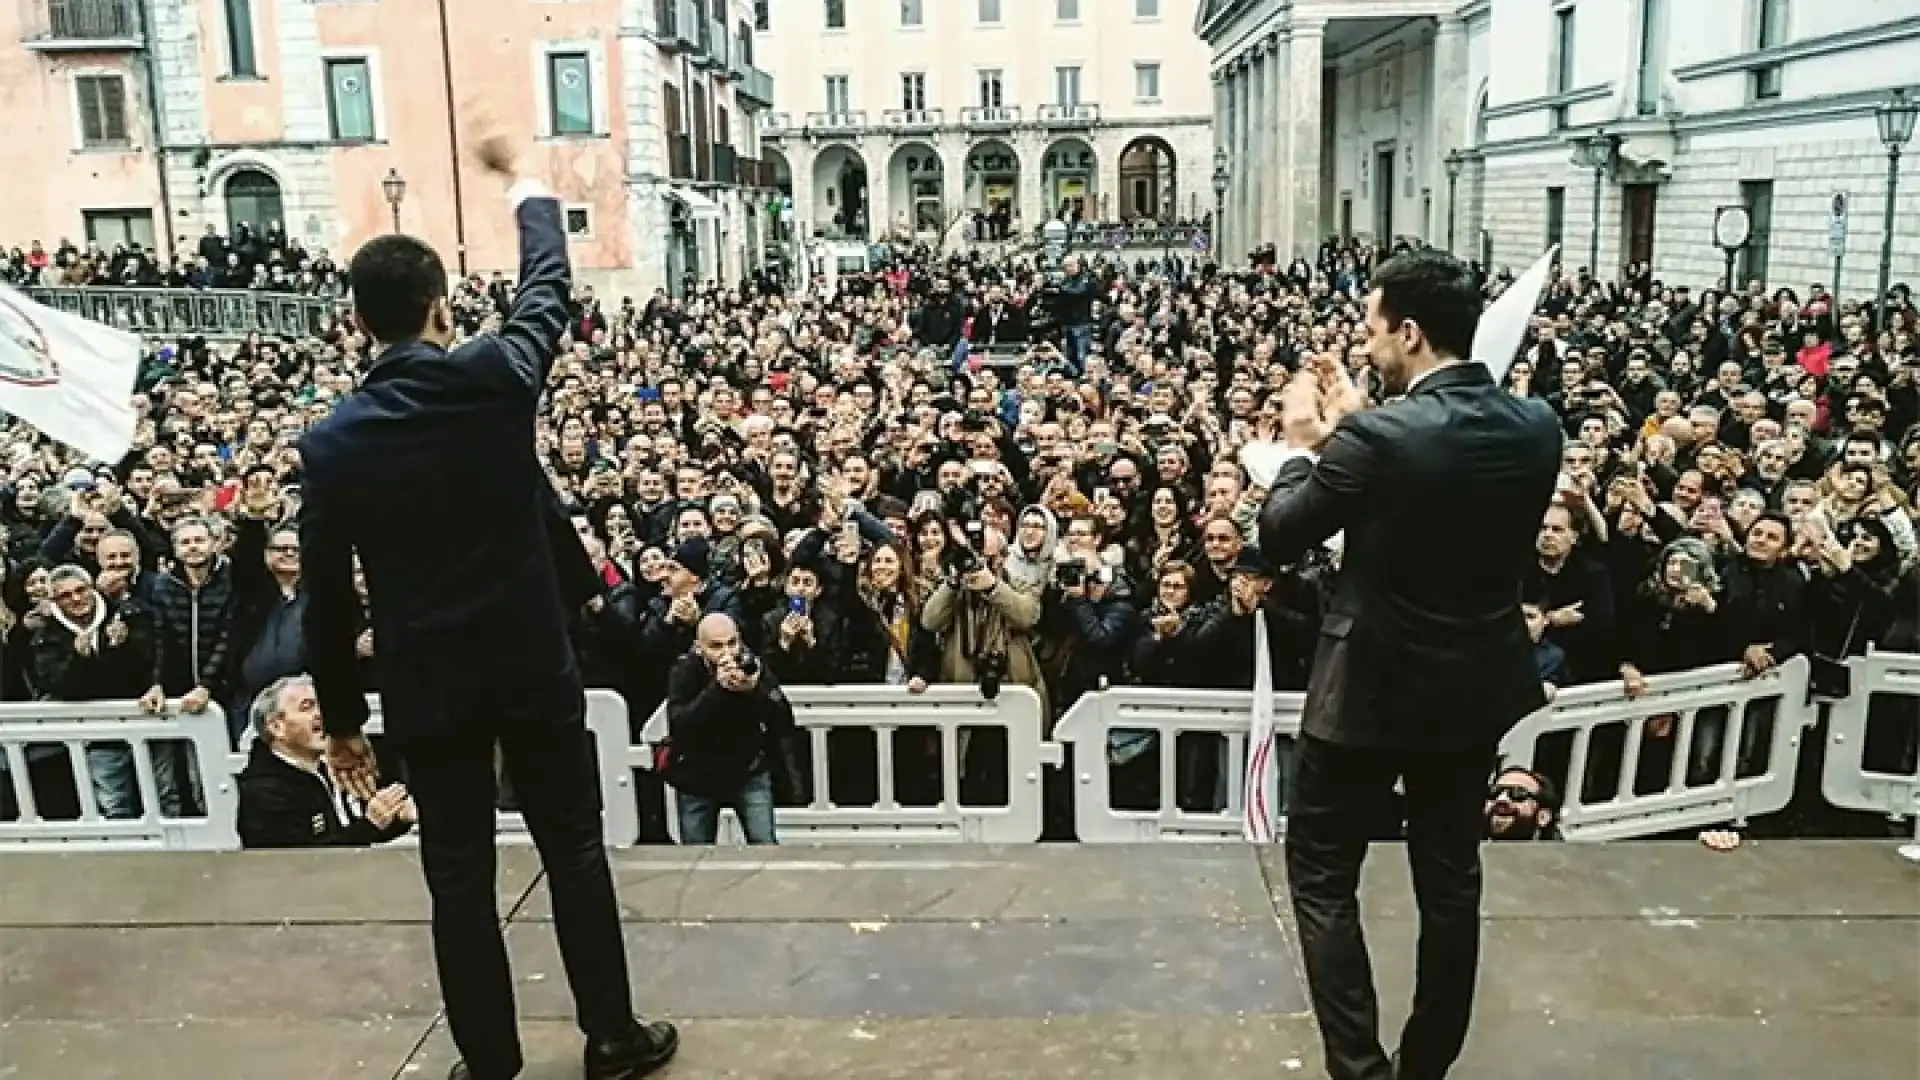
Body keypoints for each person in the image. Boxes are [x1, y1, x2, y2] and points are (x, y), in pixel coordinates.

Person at [297, 124, 677, 1080]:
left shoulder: (332, 444)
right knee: (575, 851)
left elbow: (330, 608)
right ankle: (612, 1037)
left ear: (359, 323)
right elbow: (549, 287)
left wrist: (344, 722)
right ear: (443, 306)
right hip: (528, 662)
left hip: (430, 686)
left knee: (457, 878)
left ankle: (490, 1065)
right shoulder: (494, 377)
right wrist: (529, 188)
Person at [1257, 248, 1562, 1080]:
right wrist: (1363, 425)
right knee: (1450, 878)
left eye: (1373, 327)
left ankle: (1361, 1071)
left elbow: (1279, 533)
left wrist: (1305, 446)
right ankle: (1426, 1064)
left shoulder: (1377, 438)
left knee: (1322, 879)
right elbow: (1438, 476)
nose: (1366, 340)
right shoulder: (1538, 425)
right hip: (1471, 691)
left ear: (1412, 331)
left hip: (1366, 695)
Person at [236, 674, 415, 848]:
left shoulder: (324, 769)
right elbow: (305, 861)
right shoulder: (263, 792)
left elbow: (351, 834)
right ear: (277, 727)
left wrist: (397, 817)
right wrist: (370, 824)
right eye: (307, 707)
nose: (320, 714)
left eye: (322, 706)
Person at [662, 613, 797, 844]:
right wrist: (716, 689)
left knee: (764, 844)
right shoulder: (685, 670)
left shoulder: (753, 666)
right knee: (695, 853)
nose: (727, 652)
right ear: (699, 647)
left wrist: (754, 690)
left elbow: (784, 719)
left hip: (748, 770)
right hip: (698, 775)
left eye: (732, 643)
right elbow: (680, 724)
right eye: (716, 646)